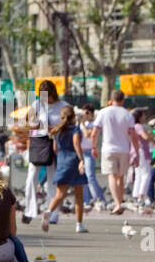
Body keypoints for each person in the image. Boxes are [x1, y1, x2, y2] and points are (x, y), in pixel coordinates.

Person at [22, 81, 68, 224]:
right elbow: (27, 120)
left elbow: (68, 124)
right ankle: (30, 210)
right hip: (38, 143)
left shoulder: (63, 106)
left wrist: (54, 128)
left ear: (53, 94)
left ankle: (52, 213)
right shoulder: (37, 104)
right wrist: (34, 124)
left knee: (52, 179)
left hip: (55, 144)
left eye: (47, 96)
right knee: (31, 177)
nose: (44, 99)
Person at [91, 89, 138, 215]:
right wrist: (136, 152)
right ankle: (119, 202)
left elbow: (95, 132)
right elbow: (133, 134)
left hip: (108, 148)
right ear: (122, 100)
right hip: (124, 149)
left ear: (111, 100)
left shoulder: (103, 112)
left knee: (111, 175)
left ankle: (117, 204)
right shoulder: (127, 114)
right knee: (120, 177)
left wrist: (93, 147)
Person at [43, 105, 87, 232]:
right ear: (73, 116)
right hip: (74, 161)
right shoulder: (75, 129)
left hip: (62, 161)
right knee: (79, 195)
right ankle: (79, 224)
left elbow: (55, 149)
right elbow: (76, 143)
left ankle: (49, 211)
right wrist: (81, 159)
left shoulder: (57, 131)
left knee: (60, 194)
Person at [79, 105, 108, 211]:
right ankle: (86, 200)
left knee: (90, 176)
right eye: (83, 113)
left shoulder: (93, 124)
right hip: (82, 152)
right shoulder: (84, 124)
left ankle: (100, 198)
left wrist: (81, 124)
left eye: (87, 113)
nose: (84, 115)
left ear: (91, 114)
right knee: (83, 178)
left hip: (89, 152)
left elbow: (88, 135)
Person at [131, 108, 155, 214]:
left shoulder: (133, 127)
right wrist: (153, 138)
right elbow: (145, 137)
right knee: (146, 175)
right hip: (142, 151)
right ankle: (141, 196)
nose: (145, 117)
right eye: (143, 115)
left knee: (139, 175)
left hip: (135, 152)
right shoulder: (139, 126)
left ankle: (136, 196)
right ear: (139, 117)